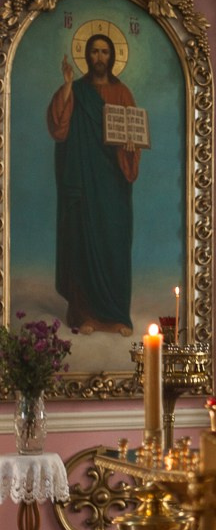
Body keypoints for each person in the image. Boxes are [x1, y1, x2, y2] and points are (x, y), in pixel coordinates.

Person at [47, 32, 141, 336]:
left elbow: (134, 136)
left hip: (113, 182)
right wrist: (65, 84)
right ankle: (85, 314)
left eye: (104, 52)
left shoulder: (123, 93)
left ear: (112, 57)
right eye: (94, 52)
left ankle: (117, 315)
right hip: (84, 183)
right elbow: (59, 128)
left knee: (113, 242)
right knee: (84, 241)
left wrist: (130, 144)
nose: (99, 57)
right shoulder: (75, 90)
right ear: (87, 56)